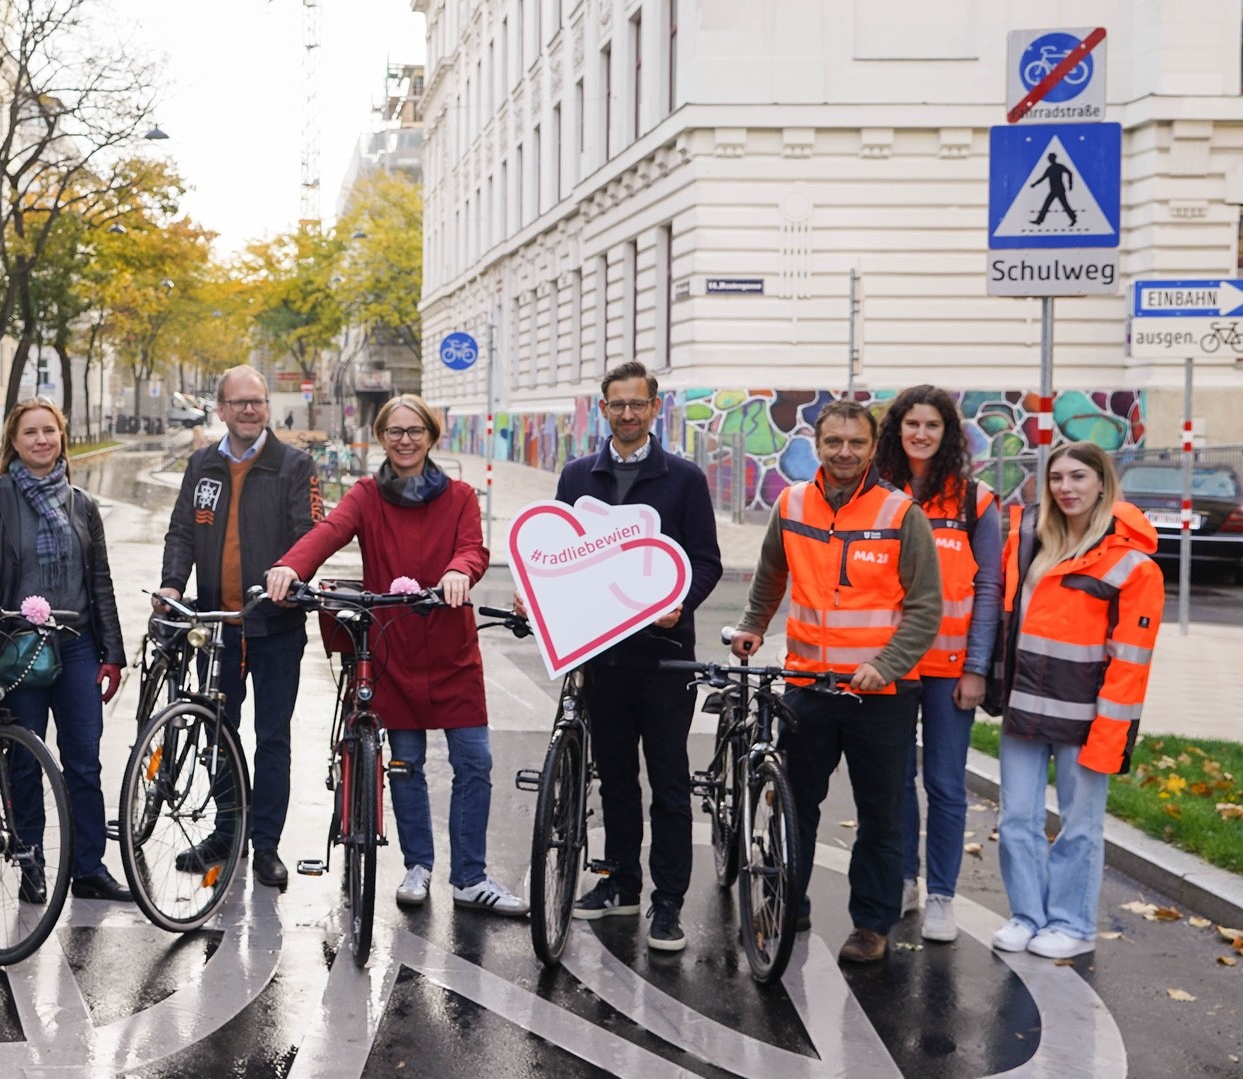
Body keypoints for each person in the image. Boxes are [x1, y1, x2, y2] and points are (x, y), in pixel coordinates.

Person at [265, 394, 528, 916]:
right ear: (381, 438)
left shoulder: (459, 496)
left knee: (474, 762)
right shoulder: (366, 494)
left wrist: (459, 571)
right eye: (394, 432)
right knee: (405, 764)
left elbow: (474, 548)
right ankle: (418, 866)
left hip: (451, 647)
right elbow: (329, 531)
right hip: (392, 645)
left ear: (431, 437)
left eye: (414, 431)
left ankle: (470, 877)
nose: (404, 440)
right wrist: (291, 567)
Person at [732, 397, 940, 963]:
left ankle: (872, 924)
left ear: (874, 448)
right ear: (815, 445)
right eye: (833, 442)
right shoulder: (792, 502)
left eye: (856, 442)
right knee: (795, 805)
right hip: (808, 685)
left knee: (881, 812)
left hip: (882, 694)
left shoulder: (900, 514)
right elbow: (773, 571)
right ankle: (785, 901)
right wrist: (753, 624)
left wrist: (887, 664)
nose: (844, 452)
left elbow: (925, 609)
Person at [546, 361, 724, 953]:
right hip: (602, 660)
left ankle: (667, 902)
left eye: (637, 404)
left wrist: (680, 600)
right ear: (604, 409)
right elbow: (561, 556)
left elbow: (706, 561)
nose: (627, 413)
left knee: (669, 784)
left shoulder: (684, 479)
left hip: (665, 658)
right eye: (616, 404)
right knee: (616, 779)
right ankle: (621, 883)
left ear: (655, 409)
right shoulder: (576, 477)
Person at [991, 441, 1162, 959]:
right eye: (1057, 478)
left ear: (1103, 484)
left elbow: (1130, 664)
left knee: (1079, 826)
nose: (1066, 488)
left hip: (1087, 718)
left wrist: (1112, 735)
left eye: (1079, 477)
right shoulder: (1028, 543)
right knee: (1017, 818)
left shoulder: (1134, 566)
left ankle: (1072, 924)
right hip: (1024, 708)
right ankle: (1028, 916)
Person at [157, 365, 323, 889]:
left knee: (272, 738)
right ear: (221, 409)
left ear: (266, 407)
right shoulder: (202, 464)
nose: (250, 410)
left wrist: (292, 572)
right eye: (239, 402)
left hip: (274, 626)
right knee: (218, 735)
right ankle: (226, 834)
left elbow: (311, 535)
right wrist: (172, 585)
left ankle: (266, 843)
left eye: (258, 401)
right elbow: (182, 530)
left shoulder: (295, 465)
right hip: (216, 625)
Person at [0, 399, 131, 902]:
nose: (41, 440)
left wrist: (114, 652)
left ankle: (88, 867)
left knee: (84, 760)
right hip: (19, 647)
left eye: (49, 432)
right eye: (30, 433)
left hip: (77, 645)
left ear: (61, 436)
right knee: (25, 758)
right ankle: (30, 859)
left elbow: (99, 582)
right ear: (13, 441)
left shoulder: (83, 505)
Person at [872, 385, 1002, 944]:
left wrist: (977, 666)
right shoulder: (877, 495)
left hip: (951, 668)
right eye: (912, 425)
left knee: (946, 785)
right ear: (897, 431)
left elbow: (991, 587)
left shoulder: (975, 501)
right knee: (894, 782)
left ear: (948, 434)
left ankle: (943, 897)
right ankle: (903, 880)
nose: (921, 434)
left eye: (933, 426)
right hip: (894, 666)